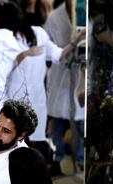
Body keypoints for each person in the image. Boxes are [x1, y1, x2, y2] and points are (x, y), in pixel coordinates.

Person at [5, 2, 85, 175]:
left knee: (34, 142)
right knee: (13, 142)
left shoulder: (40, 34)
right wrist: (25, 54)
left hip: (36, 98)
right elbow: (5, 66)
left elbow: (58, 55)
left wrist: (76, 41)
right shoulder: (10, 36)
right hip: (14, 96)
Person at [44, 0, 85, 171]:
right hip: (60, 74)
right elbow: (48, 49)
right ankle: (58, 157)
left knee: (80, 124)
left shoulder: (85, 12)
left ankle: (81, 158)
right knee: (58, 123)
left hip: (80, 76)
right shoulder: (54, 18)